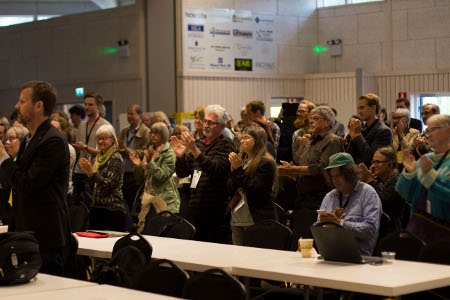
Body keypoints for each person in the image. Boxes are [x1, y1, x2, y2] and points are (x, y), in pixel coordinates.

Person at [0, 80, 72, 275]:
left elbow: (28, 183)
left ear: (38, 105)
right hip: (26, 230)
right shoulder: (30, 139)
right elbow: (16, 181)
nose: (17, 106)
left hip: (44, 234)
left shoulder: (53, 140)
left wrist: (4, 159)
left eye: (22, 102)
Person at [171, 104, 236, 243]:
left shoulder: (226, 144)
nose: (205, 125)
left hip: (215, 208)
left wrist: (194, 150)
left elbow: (215, 170)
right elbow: (183, 173)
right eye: (205, 121)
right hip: (195, 205)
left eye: (210, 123)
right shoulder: (199, 144)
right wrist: (181, 157)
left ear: (222, 126)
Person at [397, 114, 450, 241]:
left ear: (448, 131)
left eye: (432, 130)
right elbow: (406, 194)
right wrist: (410, 173)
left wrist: (430, 176)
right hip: (420, 232)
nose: (428, 135)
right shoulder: (426, 159)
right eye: (427, 130)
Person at [278, 106, 342, 210]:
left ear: (328, 122)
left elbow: (321, 168)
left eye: (316, 118)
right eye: (310, 118)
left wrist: (293, 169)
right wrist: (291, 172)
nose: (311, 121)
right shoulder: (311, 140)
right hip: (302, 196)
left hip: (319, 198)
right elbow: (302, 164)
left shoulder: (332, 140)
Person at [319, 152, 382, 255]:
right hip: (331, 253)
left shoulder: (367, 193)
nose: (335, 180)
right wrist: (325, 226)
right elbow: (317, 228)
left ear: (350, 173)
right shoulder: (330, 196)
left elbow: (371, 229)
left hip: (359, 256)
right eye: (332, 176)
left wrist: (340, 224)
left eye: (339, 175)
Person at [227, 125, 277, 245]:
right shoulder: (241, 160)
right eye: (241, 137)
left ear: (257, 140)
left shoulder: (266, 162)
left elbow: (253, 189)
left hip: (256, 219)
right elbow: (230, 189)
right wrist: (233, 170)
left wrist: (238, 170)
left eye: (246, 138)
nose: (242, 141)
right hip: (237, 219)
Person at [78, 124, 127, 231]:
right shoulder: (98, 157)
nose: (100, 141)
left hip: (113, 209)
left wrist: (92, 173)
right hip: (97, 207)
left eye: (104, 138)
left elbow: (109, 185)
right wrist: (88, 173)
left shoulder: (116, 158)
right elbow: (93, 185)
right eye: (99, 138)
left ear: (113, 140)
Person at [131, 122, 180, 213]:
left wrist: (150, 163)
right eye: (151, 132)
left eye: (156, 133)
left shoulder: (169, 152)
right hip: (148, 197)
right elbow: (140, 180)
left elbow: (163, 176)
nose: (153, 135)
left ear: (163, 134)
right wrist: (138, 166)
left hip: (164, 198)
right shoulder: (150, 150)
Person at [71, 92, 111, 201]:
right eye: (85, 104)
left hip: (94, 172)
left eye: (90, 105)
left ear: (99, 106)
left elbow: (107, 153)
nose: (86, 107)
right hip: (79, 171)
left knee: (92, 204)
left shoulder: (105, 126)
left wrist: (85, 148)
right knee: (77, 205)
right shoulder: (82, 125)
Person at [359, 147, 405, 232]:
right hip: (373, 224)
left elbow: (381, 202)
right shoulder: (377, 180)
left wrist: (369, 182)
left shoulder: (399, 182)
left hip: (389, 229)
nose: (373, 165)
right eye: (373, 162)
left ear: (390, 165)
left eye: (377, 162)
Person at [118, 104, 151, 213]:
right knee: (123, 204)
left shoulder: (146, 132)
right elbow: (120, 147)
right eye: (128, 114)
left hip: (136, 173)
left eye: (132, 114)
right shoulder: (124, 131)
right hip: (123, 172)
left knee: (134, 204)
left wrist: (127, 150)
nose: (129, 116)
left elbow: (144, 153)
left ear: (140, 115)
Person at [346, 93, 392, 168]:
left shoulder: (384, 131)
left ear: (373, 108)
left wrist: (357, 136)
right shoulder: (362, 130)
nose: (359, 111)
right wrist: (353, 135)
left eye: (362, 108)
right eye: (358, 108)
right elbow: (349, 156)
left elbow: (371, 159)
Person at [0, 126, 29, 225]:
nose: (7, 142)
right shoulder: (10, 161)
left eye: (12, 139)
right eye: (7, 139)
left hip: (21, 214)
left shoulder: (24, 162)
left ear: (22, 142)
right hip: (7, 212)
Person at [51, 116, 77, 205]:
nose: (52, 132)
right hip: (52, 195)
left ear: (64, 131)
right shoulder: (50, 147)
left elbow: (59, 171)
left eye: (56, 129)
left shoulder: (69, 149)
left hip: (64, 195)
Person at [291, 100, 316, 164]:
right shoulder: (296, 134)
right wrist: (301, 146)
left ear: (311, 114)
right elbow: (296, 160)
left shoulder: (318, 132)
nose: (299, 113)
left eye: (302, 111)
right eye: (298, 111)